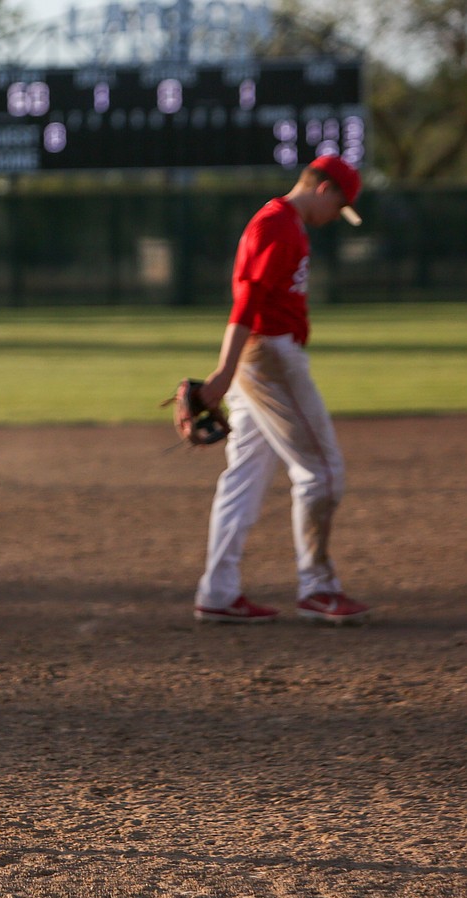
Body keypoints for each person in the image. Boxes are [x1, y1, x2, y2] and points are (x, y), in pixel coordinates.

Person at [192, 153, 370, 626]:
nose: (337, 216)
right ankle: (318, 586)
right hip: (269, 355)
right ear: (324, 189)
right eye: (340, 205)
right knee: (322, 470)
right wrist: (225, 370)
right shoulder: (278, 225)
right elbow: (247, 298)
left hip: (262, 354)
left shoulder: (286, 224)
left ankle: (218, 591)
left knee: (245, 478)